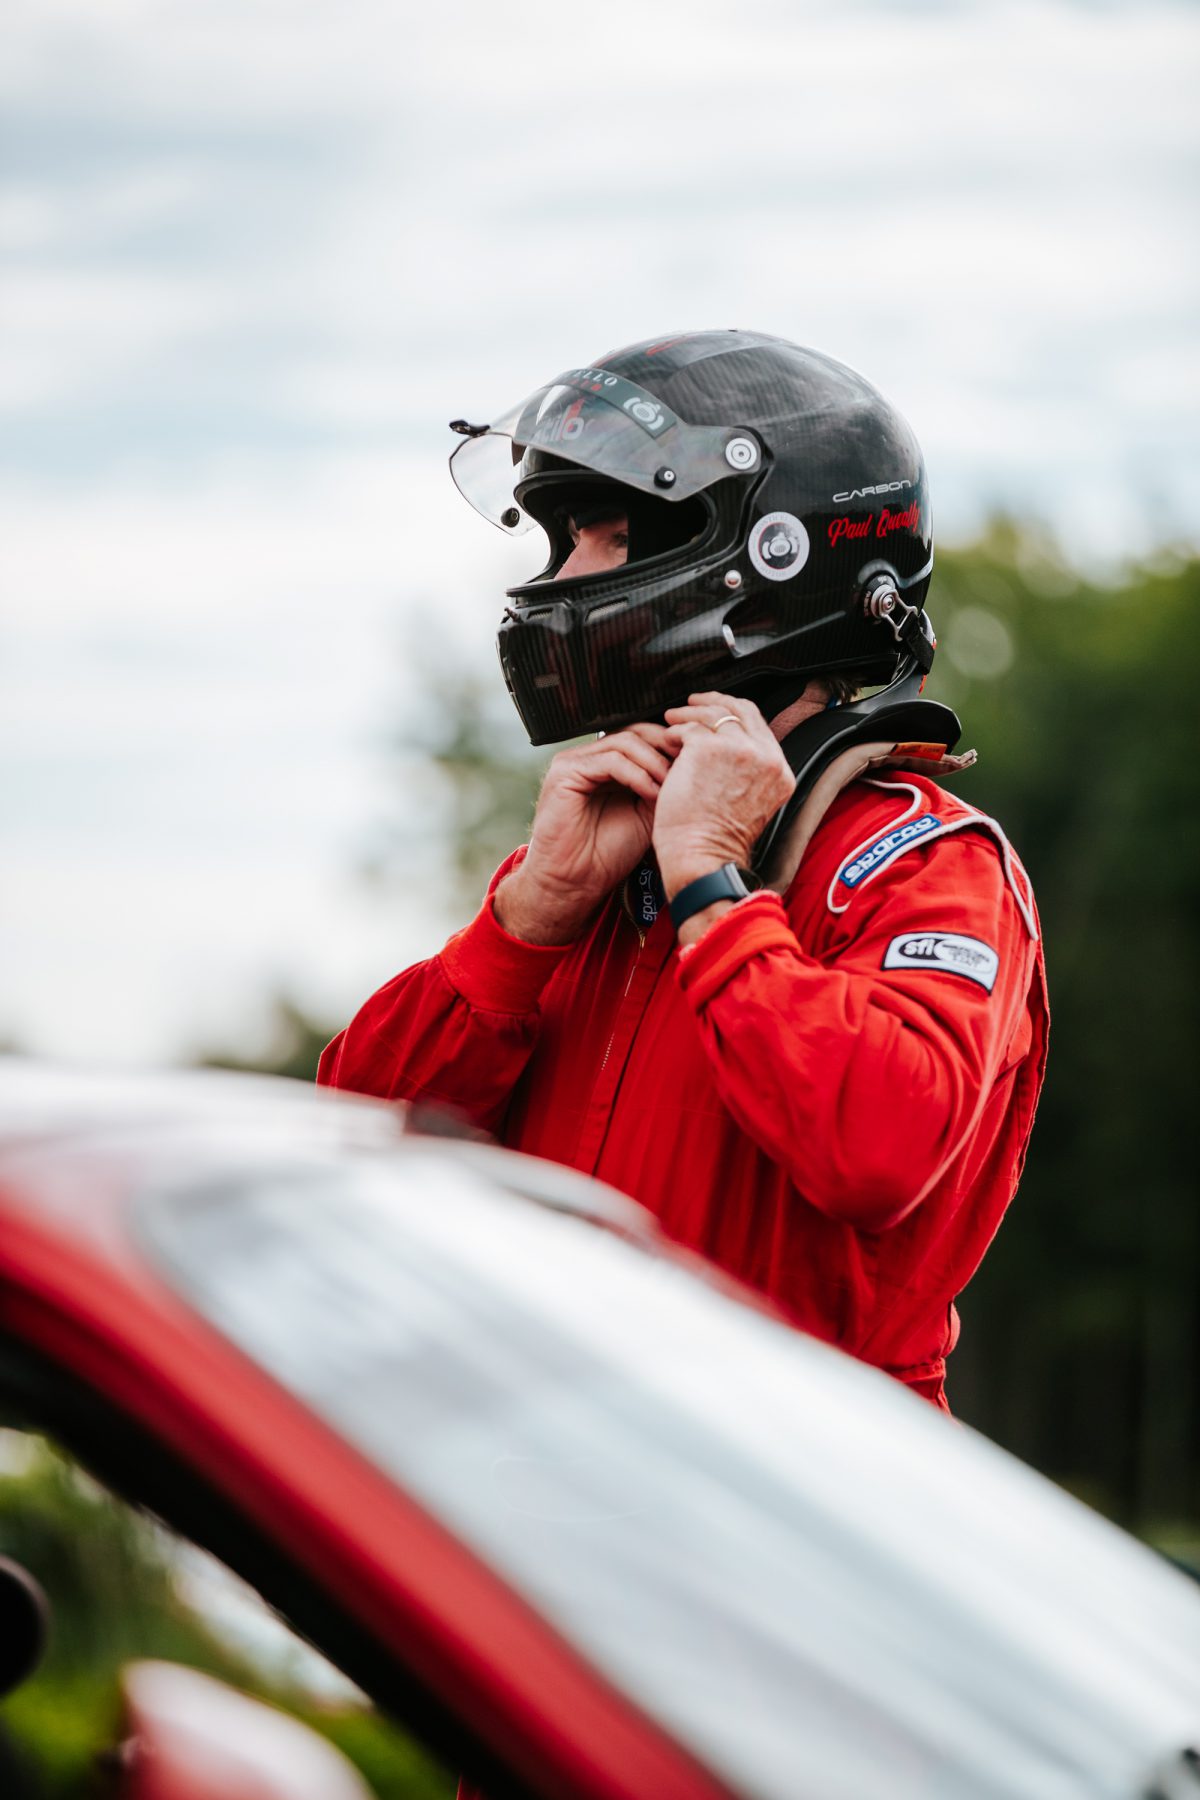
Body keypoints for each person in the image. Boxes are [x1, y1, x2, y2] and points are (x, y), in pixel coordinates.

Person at [319, 330, 1048, 1414]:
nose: (559, 579)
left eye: (603, 537)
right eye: (561, 539)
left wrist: (714, 889)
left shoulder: (926, 863)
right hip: (562, 1489)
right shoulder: (595, 867)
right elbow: (349, 1158)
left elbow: (880, 1147)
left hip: (799, 1520)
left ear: (772, 561)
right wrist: (523, 924)